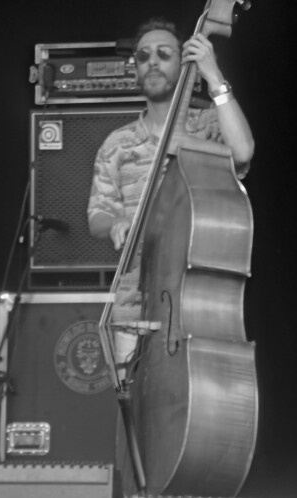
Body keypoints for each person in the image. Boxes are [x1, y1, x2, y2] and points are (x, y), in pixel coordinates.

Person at [87, 17, 254, 377]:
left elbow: (242, 151)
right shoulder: (117, 143)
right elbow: (97, 214)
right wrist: (114, 224)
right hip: (132, 301)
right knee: (132, 415)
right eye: (143, 56)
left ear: (182, 64)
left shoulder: (207, 126)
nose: (152, 62)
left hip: (195, 304)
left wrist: (214, 77)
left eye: (164, 54)